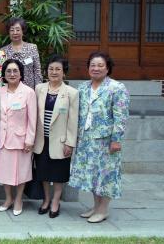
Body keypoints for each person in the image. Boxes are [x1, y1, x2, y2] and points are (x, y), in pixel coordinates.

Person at [69, 51, 129, 223]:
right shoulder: (83, 88)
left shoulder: (117, 88)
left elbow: (121, 116)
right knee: (93, 175)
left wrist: (116, 139)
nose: (96, 68)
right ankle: (96, 206)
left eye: (100, 65)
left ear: (108, 68)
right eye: (92, 65)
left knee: (106, 175)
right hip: (86, 139)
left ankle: (103, 210)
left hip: (106, 140)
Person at [34, 55, 79, 218]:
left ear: (64, 72)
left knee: (58, 174)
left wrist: (70, 142)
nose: (54, 72)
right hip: (41, 139)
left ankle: (55, 201)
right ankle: (46, 200)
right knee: (43, 172)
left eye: (58, 69)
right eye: (51, 69)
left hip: (60, 141)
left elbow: (73, 121)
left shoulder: (71, 93)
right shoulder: (39, 88)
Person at [0, 59, 37, 216]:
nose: (12, 74)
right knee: (5, 172)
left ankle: (19, 199)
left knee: (21, 172)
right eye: (8, 71)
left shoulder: (28, 92)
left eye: (15, 71)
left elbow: (33, 119)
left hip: (21, 140)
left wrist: (30, 140)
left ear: (20, 73)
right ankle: (8, 198)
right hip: (3, 140)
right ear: (4, 74)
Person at [2, 18, 42, 89]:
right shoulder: (3, 51)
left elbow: (37, 71)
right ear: (9, 32)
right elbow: (2, 74)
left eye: (18, 30)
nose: (15, 33)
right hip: (10, 91)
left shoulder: (32, 48)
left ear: (23, 31)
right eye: (12, 30)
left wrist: (38, 90)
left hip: (29, 90)